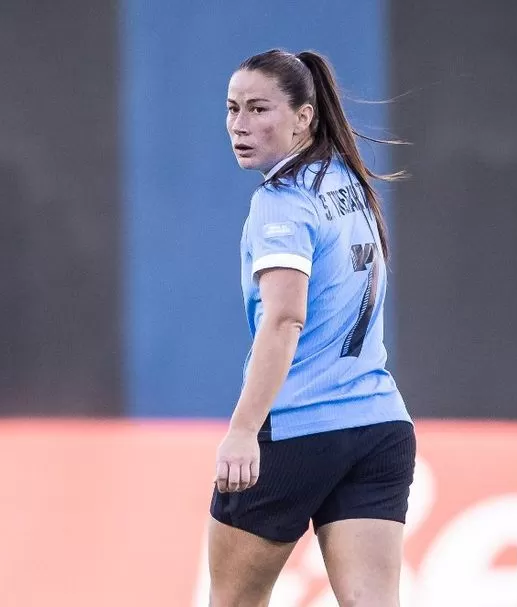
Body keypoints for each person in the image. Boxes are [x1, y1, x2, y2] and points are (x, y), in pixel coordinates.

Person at [208, 48, 415, 607]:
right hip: (378, 426)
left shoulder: (281, 202)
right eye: (232, 110)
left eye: (258, 109)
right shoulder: (348, 177)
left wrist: (244, 429)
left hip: (297, 429)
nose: (240, 125)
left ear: (305, 116)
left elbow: (284, 318)